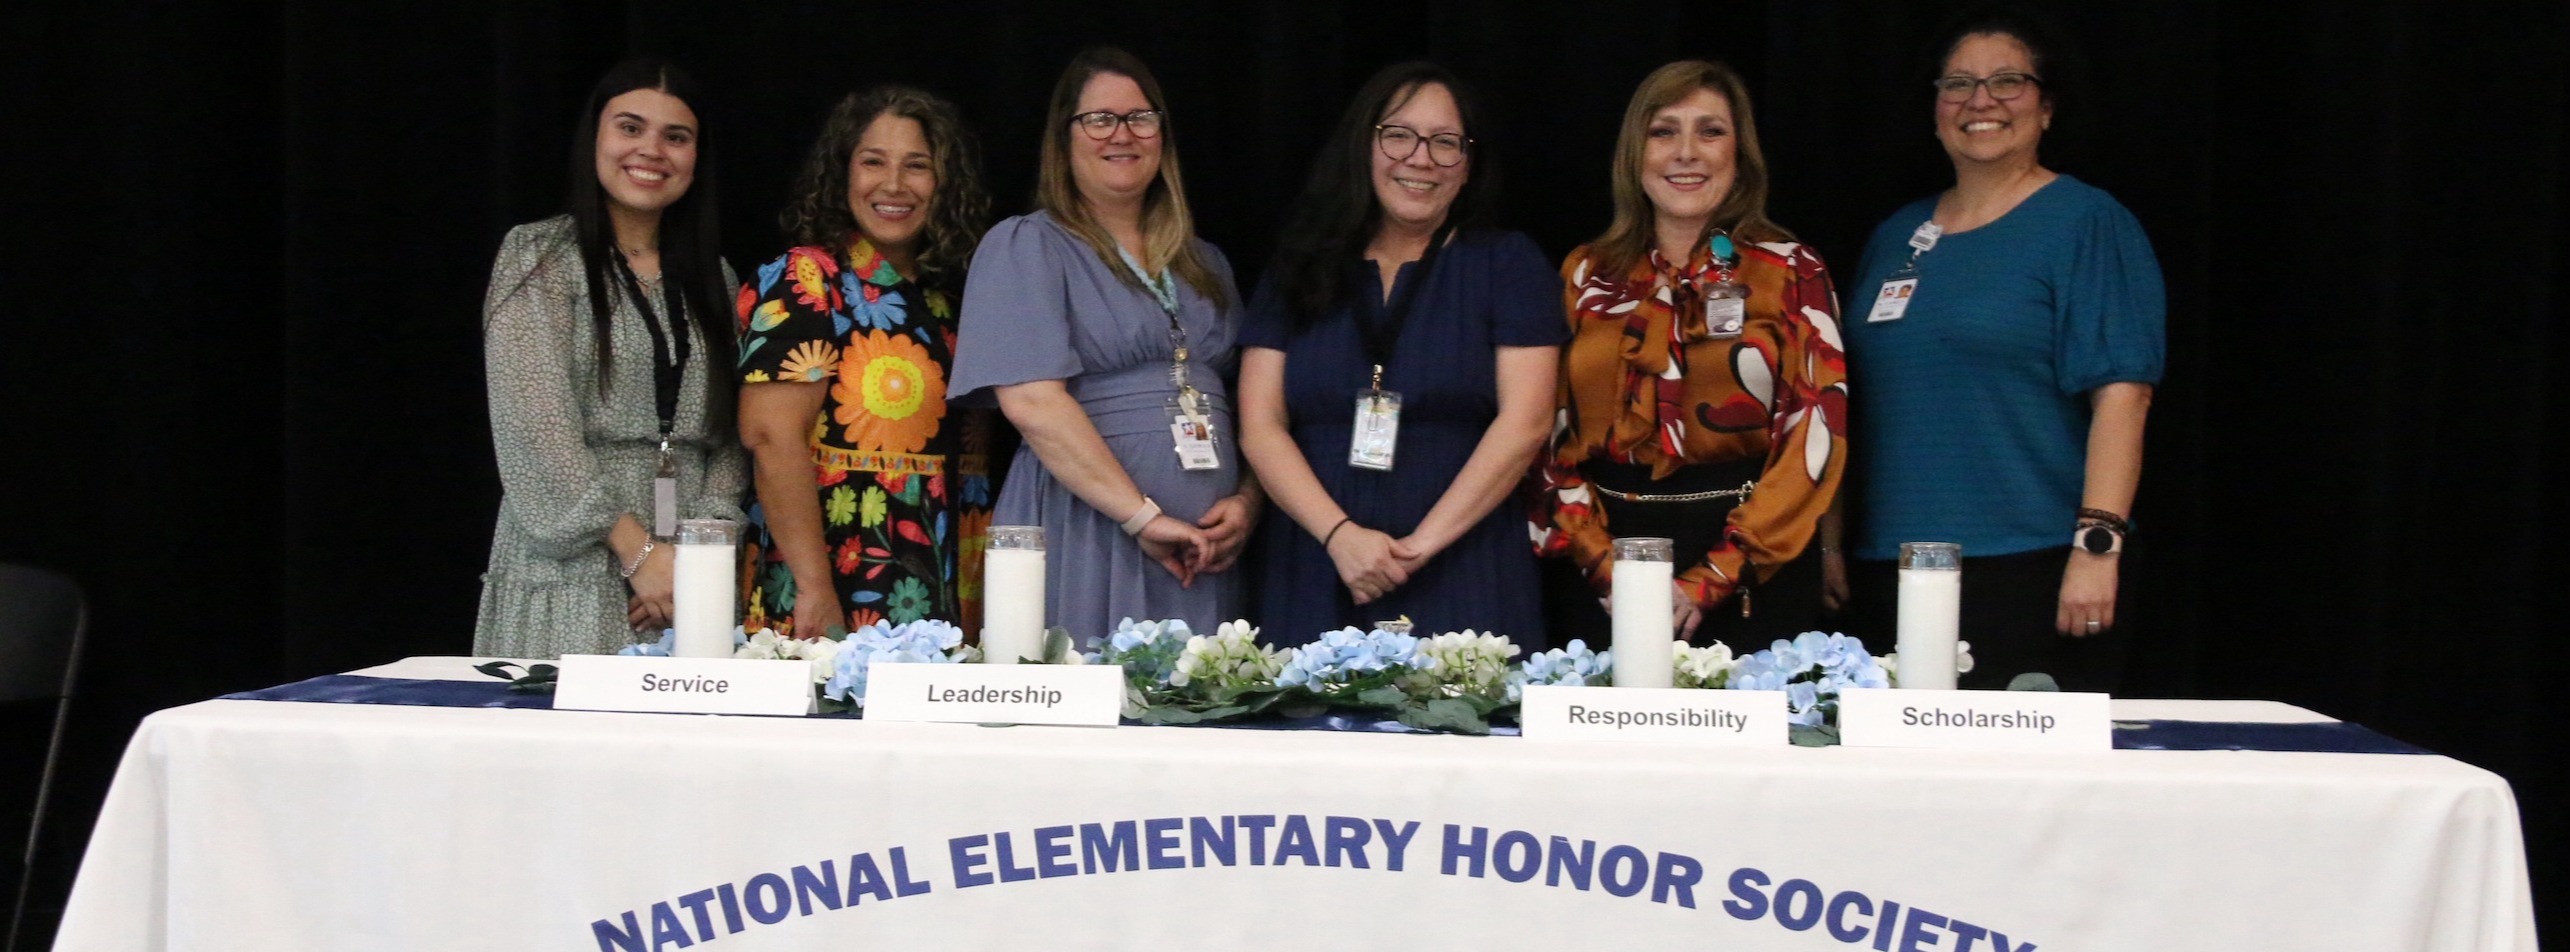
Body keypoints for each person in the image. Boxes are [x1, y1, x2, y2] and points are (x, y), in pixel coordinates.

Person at [1843, 8, 2165, 691]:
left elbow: (2124, 394)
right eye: (1958, 83)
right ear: (1935, 108)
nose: (1980, 101)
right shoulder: (1895, 236)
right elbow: (1845, 406)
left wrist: (2097, 547)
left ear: (2047, 108)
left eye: (2007, 81)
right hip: (1890, 570)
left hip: (2033, 566)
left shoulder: (2085, 222)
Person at [1239, 63, 1561, 648]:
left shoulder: (1508, 265)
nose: (1421, 158)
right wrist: (1339, 537)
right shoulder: (1298, 262)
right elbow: (1260, 424)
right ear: (1364, 146)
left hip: (1464, 561)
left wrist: (1417, 548)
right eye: (1399, 135)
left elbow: (1527, 421)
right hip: (1316, 561)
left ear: (1468, 167)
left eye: (1446, 143)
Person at [1533, 60, 1848, 651]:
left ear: (1740, 152)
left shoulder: (1791, 268)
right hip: (1604, 567)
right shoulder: (1584, 271)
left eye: (1710, 131)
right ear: (1636, 152)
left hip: (1754, 559)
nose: (1686, 152)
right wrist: (1605, 566)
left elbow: (1817, 434)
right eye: (1664, 131)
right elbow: (1545, 436)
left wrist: (1715, 576)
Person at [949, 48, 1256, 640]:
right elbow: (1033, 403)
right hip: (1088, 527)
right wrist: (1140, 516)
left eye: (1141, 117)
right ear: (1063, 138)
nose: (1123, 134)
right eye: (1100, 119)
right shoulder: (1027, 247)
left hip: (1207, 548)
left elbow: (1258, 409)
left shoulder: (1206, 264)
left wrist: (1247, 504)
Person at [475, 59, 743, 658]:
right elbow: (533, 423)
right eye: (630, 128)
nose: (652, 150)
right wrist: (639, 552)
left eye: (676, 137)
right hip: (573, 560)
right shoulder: (539, 257)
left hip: (687, 583)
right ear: (595, 137)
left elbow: (732, 435)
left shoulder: (715, 280)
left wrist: (696, 557)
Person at [736, 87, 995, 640]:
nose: (894, 185)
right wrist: (815, 588)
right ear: (841, 174)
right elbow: (769, 436)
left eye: (917, 166)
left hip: (946, 594)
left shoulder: (951, 302)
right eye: (873, 161)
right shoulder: (807, 279)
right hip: (836, 594)